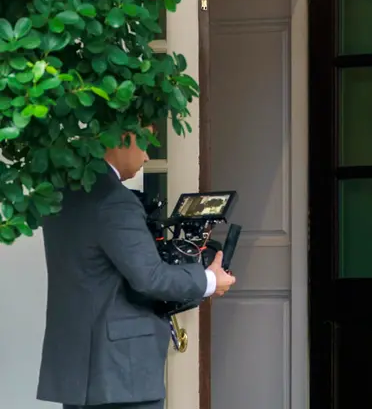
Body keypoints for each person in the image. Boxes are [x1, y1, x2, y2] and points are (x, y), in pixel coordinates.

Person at [36, 126, 237, 409]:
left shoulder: (63, 193)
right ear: (123, 137)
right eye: (143, 145)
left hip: (78, 372)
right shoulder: (115, 200)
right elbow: (151, 277)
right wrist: (210, 280)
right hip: (121, 374)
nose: (145, 157)